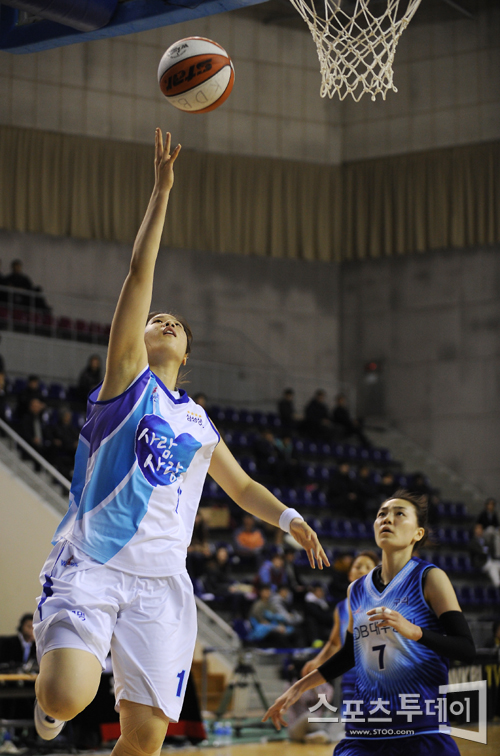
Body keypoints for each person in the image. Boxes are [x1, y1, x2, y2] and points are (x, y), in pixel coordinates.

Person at [32, 130, 329, 752]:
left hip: (162, 583)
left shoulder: (197, 421)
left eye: (176, 324)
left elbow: (242, 486)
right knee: (66, 694)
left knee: (144, 740)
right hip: (94, 563)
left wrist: (291, 518)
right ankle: (50, 712)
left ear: (187, 354)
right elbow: (140, 271)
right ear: (138, 337)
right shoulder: (124, 382)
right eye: (154, 317)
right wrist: (161, 191)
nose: (163, 319)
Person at [263, 490, 476, 756]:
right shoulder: (357, 590)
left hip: (421, 730)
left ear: (417, 533)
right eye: (382, 514)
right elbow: (349, 655)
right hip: (364, 733)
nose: (388, 519)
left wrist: (416, 632)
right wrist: (298, 686)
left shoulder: (430, 578)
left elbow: (466, 649)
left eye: (399, 514)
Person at [469, 522, 500, 587]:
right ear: (474, 530)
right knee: (492, 567)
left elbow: (490, 550)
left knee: (496, 564)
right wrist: (485, 551)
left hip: (490, 561)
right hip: (480, 563)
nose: (480, 530)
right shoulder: (473, 542)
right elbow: (480, 552)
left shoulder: (485, 540)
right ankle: (497, 584)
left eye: (481, 528)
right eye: (478, 528)